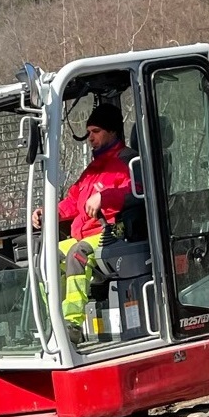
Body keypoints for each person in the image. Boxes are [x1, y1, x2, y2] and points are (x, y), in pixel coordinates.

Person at [33, 102, 134, 335]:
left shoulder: (126, 162)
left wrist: (104, 197)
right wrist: (47, 213)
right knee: (46, 258)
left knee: (77, 254)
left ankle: (72, 324)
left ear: (113, 132)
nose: (90, 138)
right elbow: (72, 201)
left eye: (96, 132)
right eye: (89, 133)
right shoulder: (92, 170)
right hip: (84, 233)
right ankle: (51, 321)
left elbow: (134, 191)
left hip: (111, 234)